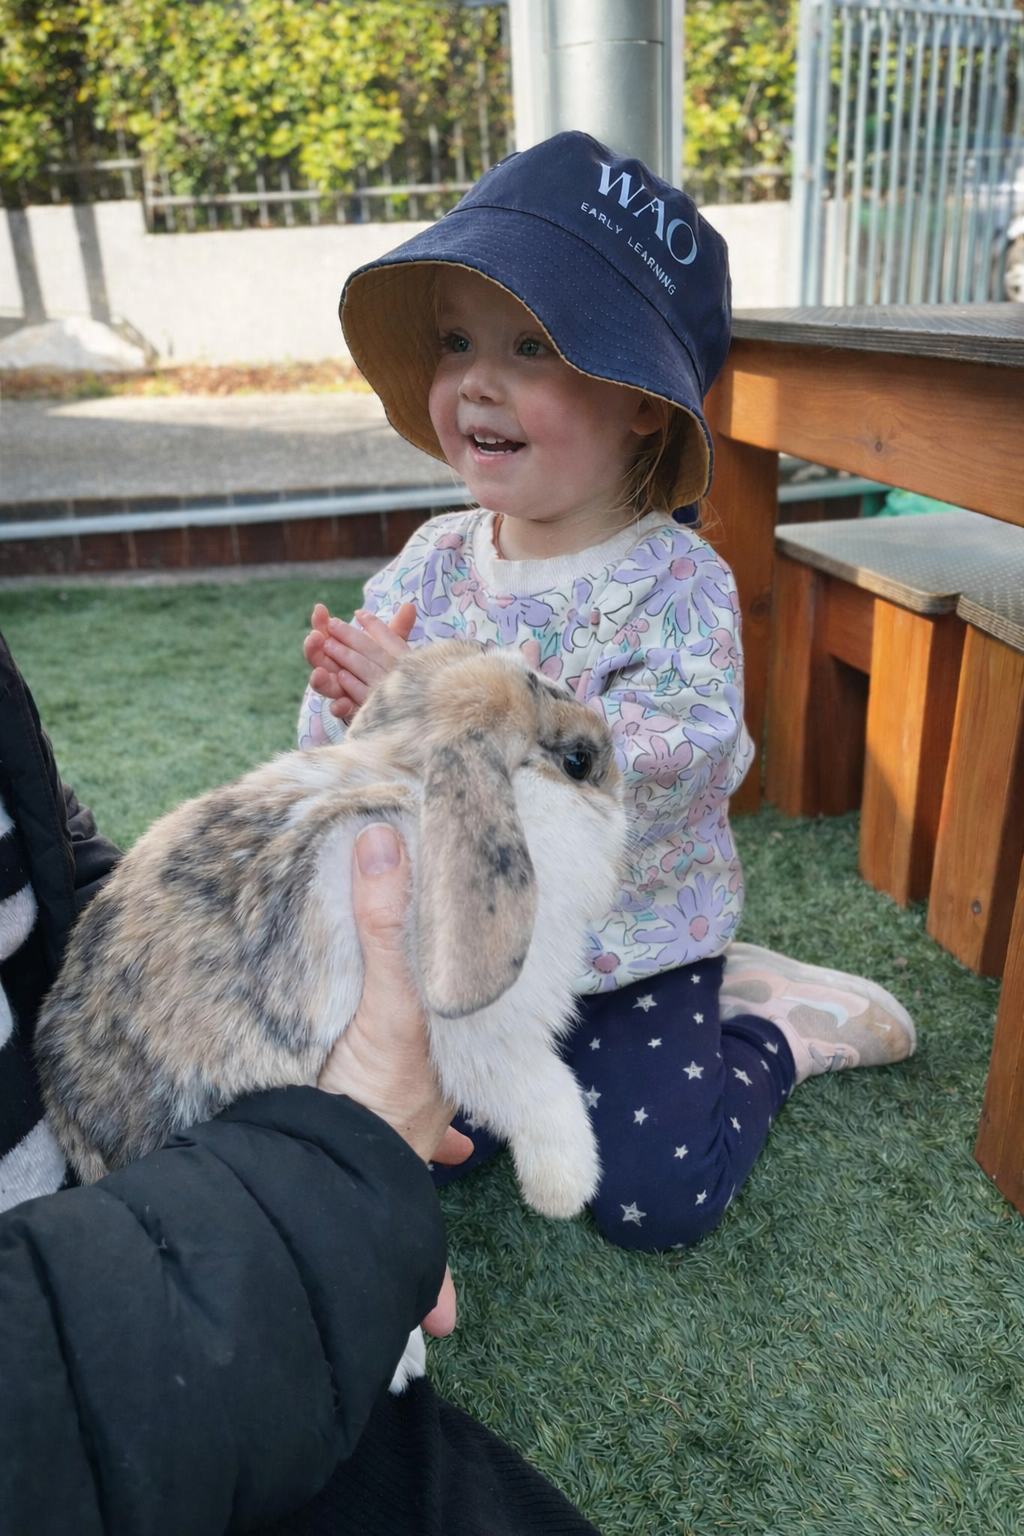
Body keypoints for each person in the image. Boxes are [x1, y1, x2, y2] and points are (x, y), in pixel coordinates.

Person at [300, 130, 916, 1254]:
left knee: (654, 1201)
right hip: (467, 948)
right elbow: (341, 757)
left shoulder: (677, 583)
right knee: (415, 1140)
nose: (476, 381)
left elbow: (670, 763)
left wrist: (435, 700)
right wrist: (354, 702)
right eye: (456, 341)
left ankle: (769, 1028)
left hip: (632, 948)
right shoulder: (431, 563)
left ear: (640, 400)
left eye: (532, 346)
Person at [0, 627, 601, 1535]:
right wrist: (339, 1196)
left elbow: (55, 849)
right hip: (115, 1338)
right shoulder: (464, 823)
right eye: (585, 765)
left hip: (158, 1174)